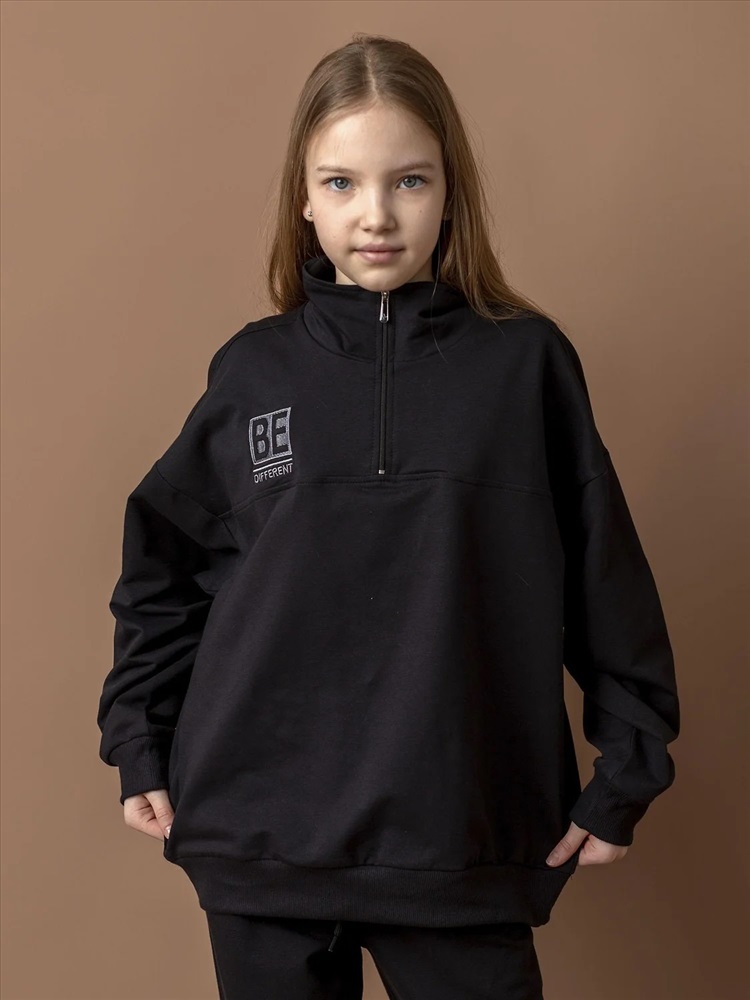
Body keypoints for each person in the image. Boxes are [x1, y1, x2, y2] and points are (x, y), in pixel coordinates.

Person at [96, 32, 681, 1000]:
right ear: (303, 197)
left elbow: (603, 576)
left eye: (409, 180)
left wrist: (627, 773)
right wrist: (138, 740)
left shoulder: (524, 365)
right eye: (340, 183)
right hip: (258, 833)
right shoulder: (254, 370)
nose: (375, 214)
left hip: (462, 835)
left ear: (451, 191)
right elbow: (165, 570)